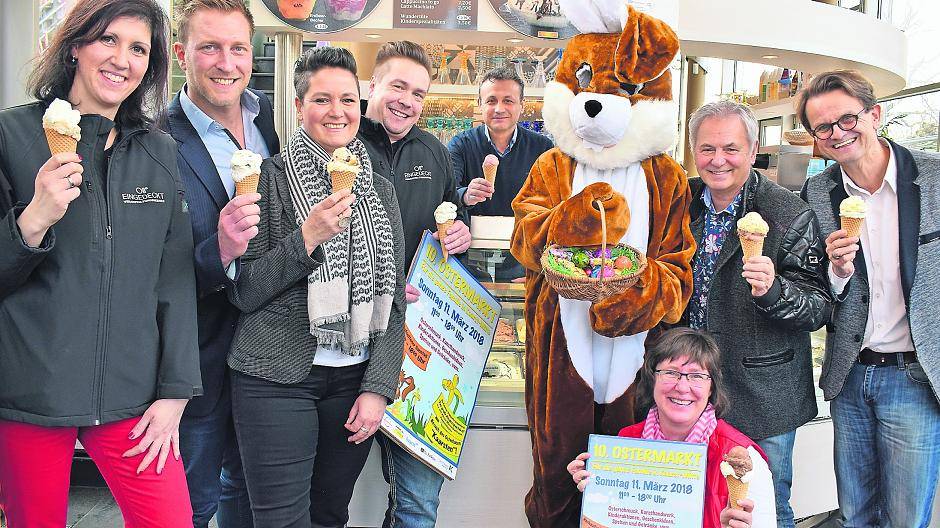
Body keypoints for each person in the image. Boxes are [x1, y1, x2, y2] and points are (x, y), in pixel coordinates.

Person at [0, 0, 201, 526]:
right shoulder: (12, 138)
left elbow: (174, 277)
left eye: (139, 48)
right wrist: (34, 218)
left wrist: (176, 391)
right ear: (74, 46)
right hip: (31, 393)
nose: (122, 59)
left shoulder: (158, 149)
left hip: (132, 399)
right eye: (108, 40)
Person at [225, 46, 405, 527]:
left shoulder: (380, 189)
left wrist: (379, 388)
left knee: (329, 514)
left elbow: (395, 299)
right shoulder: (267, 180)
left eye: (348, 99)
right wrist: (307, 238)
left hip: (352, 379)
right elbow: (244, 290)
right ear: (300, 106)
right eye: (322, 99)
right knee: (281, 519)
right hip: (274, 378)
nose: (337, 111)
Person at [799, 70, 940, 527]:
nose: (837, 133)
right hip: (851, 374)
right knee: (855, 513)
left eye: (847, 119)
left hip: (915, 377)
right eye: (823, 127)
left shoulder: (934, 178)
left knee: (905, 518)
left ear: (874, 114)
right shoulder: (818, 193)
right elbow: (820, 290)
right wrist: (836, 272)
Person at [683, 100, 831, 528]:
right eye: (707, 149)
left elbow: (817, 306)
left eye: (731, 148)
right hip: (689, 388)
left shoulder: (787, 213)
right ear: (694, 152)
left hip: (762, 394)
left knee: (762, 509)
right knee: (694, 506)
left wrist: (774, 291)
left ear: (752, 151)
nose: (718, 160)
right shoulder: (680, 205)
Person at [163, 1, 279, 526]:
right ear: (181, 54)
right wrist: (220, 250)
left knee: (249, 498)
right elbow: (146, 272)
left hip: (265, 359)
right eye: (209, 47)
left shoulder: (268, 129)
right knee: (191, 506)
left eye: (237, 48)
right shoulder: (155, 141)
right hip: (195, 365)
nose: (225, 62)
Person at [356, 40, 470, 528]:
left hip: (415, 342)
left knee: (419, 500)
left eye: (418, 93)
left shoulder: (435, 152)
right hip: (346, 339)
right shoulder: (341, 140)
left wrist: (460, 228)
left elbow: (451, 213)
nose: (406, 100)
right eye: (397, 86)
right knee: (327, 495)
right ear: (373, 86)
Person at [566, 328, 777, 528]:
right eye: (671, 372)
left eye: (696, 376)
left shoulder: (743, 459)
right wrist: (598, 494)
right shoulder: (626, 442)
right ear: (652, 378)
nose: (682, 387)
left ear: (712, 386)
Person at [448, 66, 553, 281]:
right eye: (491, 100)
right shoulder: (461, 144)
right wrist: (466, 194)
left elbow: (552, 206)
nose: (499, 108)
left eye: (508, 100)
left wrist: (538, 264)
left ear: (521, 106)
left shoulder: (541, 147)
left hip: (522, 256)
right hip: (470, 256)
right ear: (479, 104)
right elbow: (446, 194)